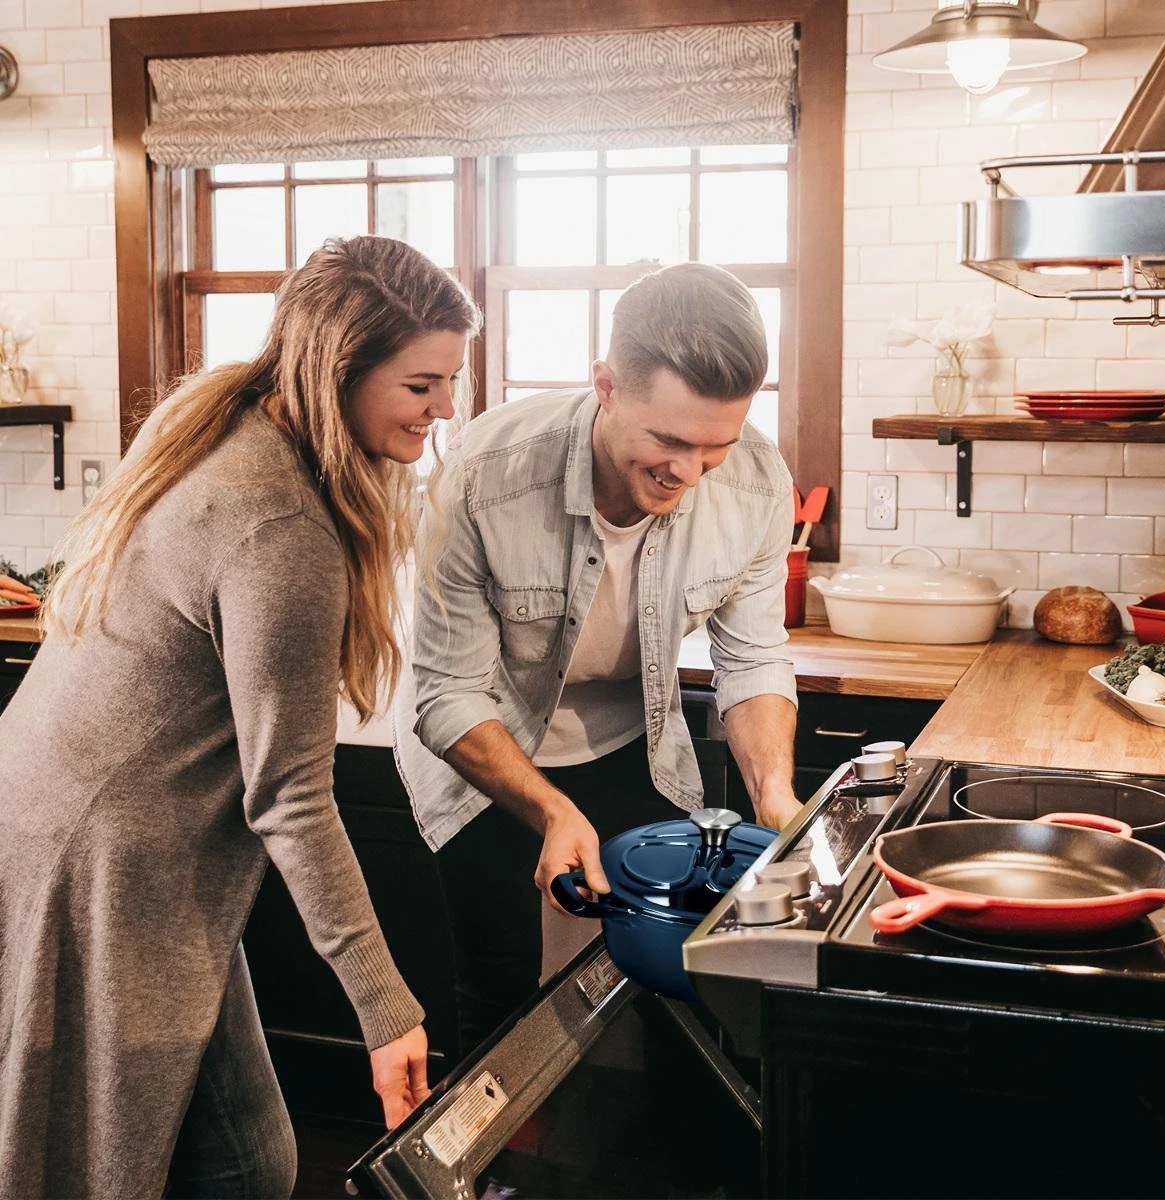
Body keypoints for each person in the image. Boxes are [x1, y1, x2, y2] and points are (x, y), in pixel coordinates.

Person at [0, 235, 481, 1200]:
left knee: (236, 1159)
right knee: (222, 1166)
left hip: (65, 822)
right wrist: (388, 1014)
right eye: (422, 383)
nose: (445, 408)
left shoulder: (221, 418)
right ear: (339, 366)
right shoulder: (280, 521)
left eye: (451, 381)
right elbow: (292, 799)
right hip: (110, 865)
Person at [394, 261, 801, 1059]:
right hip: (485, 745)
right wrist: (550, 811)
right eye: (669, 441)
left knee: (670, 981)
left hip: (632, 742)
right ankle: (496, 1180)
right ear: (607, 385)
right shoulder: (484, 473)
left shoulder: (756, 481)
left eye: (714, 448)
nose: (687, 474)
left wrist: (775, 794)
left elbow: (751, 657)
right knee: (503, 987)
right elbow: (447, 692)